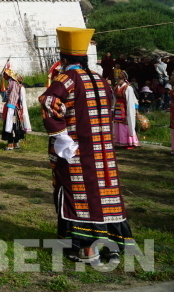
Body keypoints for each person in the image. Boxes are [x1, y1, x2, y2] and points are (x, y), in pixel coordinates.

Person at [39, 27, 134, 264]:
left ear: (63, 59)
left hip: (77, 150)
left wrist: (61, 134)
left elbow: (48, 100)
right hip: (103, 150)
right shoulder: (101, 80)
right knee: (105, 194)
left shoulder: (66, 79)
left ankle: (86, 249)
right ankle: (111, 247)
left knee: (80, 196)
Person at [1, 66, 31, 150]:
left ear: (8, 75)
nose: (4, 76)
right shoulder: (13, 82)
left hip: (12, 107)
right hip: (15, 106)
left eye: (5, 74)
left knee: (11, 124)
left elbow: (13, 95)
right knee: (16, 124)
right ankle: (15, 142)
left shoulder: (13, 82)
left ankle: (11, 143)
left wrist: (10, 106)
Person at [111, 70, 139, 149]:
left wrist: (129, 112)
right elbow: (114, 99)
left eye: (119, 79)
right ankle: (120, 141)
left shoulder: (128, 88)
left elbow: (130, 101)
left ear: (123, 79)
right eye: (116, 79)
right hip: (117, 109)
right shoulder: (116, 88)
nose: (117, 80)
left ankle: (129, 142)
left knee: (125, 124)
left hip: (125, 109)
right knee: (118, 125)